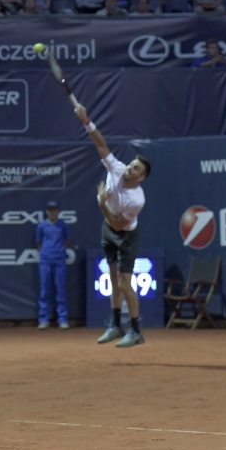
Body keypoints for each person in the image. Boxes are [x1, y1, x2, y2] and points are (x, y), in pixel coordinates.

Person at [73, 103, 151, 347]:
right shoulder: (116, 168)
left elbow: (118, 225)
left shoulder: (137, 200)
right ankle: (116, 326)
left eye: (136, 168)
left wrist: (102, 204)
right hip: (108, 228)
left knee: (124, 283)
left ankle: (136, 331)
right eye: (131, 163)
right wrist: (87, 121)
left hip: (125, 235)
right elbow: (100, 143)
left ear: (142, 177)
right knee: (112, 276)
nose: (130, 166)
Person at [36, 200, 71, 329]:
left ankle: (62, 319)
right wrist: (47, 252)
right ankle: (43, 319)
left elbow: (67, 241)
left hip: (60, 260)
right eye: (50, 210)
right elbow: (38, 243)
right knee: (44, 290)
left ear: (58, 211)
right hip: (45, 260)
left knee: (60, 289)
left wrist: (58, 251)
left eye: (54, 209)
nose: (52, 212)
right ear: (46, 212)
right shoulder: (41, 226)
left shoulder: (63, 226)